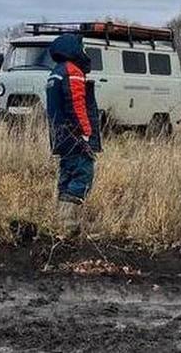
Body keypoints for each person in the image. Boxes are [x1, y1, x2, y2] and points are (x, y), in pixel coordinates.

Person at [46, 33, 102, 227]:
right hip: (74, 135)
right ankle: (70, 223)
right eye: (82, 48)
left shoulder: (56, 72)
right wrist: (86, 132)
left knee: (66, 174)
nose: (84, 52)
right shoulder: (73, 71)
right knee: (82, 173)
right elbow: (76, 104)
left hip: (59, 136)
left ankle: (61, 220)